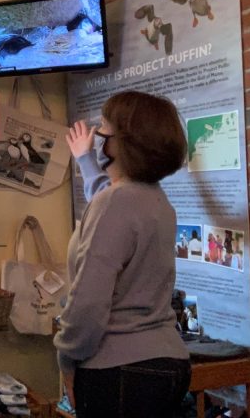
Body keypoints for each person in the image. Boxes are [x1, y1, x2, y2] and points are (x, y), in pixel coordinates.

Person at [55, 91, 191, 418]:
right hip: (168, 362)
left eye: (103, 126)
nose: (97, 134)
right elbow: (108, 196)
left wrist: (67, 357)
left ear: (122, 142)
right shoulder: (157, 201)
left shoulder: (116, 204)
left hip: (120, 370)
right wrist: (86, 160)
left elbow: (89, 301)